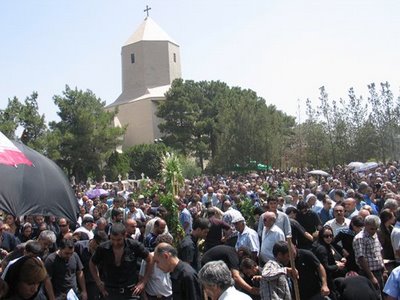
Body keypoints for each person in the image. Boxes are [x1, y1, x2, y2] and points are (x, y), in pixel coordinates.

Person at [90, 223, 152, 300]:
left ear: (125, 235)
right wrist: (98, 282)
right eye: (113, 239)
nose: (116, 243)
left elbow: (150, 260)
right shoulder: (103, 248)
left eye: (119, 240)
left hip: (131, 291)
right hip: (110, 291)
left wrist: (143, 282)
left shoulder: (134, 246)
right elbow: (92, 263)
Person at [353, 215, 388, 295]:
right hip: (368, 273)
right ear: (365, 225)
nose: (374, 231)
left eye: (376, 228)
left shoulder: (375, 235)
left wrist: (384, 269)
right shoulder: (360, 238)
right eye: (372, 229)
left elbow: (379, 252)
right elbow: (361, 258)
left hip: (379, 271)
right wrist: (371, 277)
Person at [312, 225, 346, 298]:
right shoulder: (322, 249)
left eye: (331, 236)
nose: (329, 238)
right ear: (321, 236)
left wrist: (338, 261)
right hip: (325, 280)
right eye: (326, 236)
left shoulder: (327, 245)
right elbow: (325, 267)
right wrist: (337, 266)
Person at [74, 231, 109, 300]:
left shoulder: (103, 250)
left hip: (95, 282)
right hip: (80, 282)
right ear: (94, 241)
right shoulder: (79, 246)